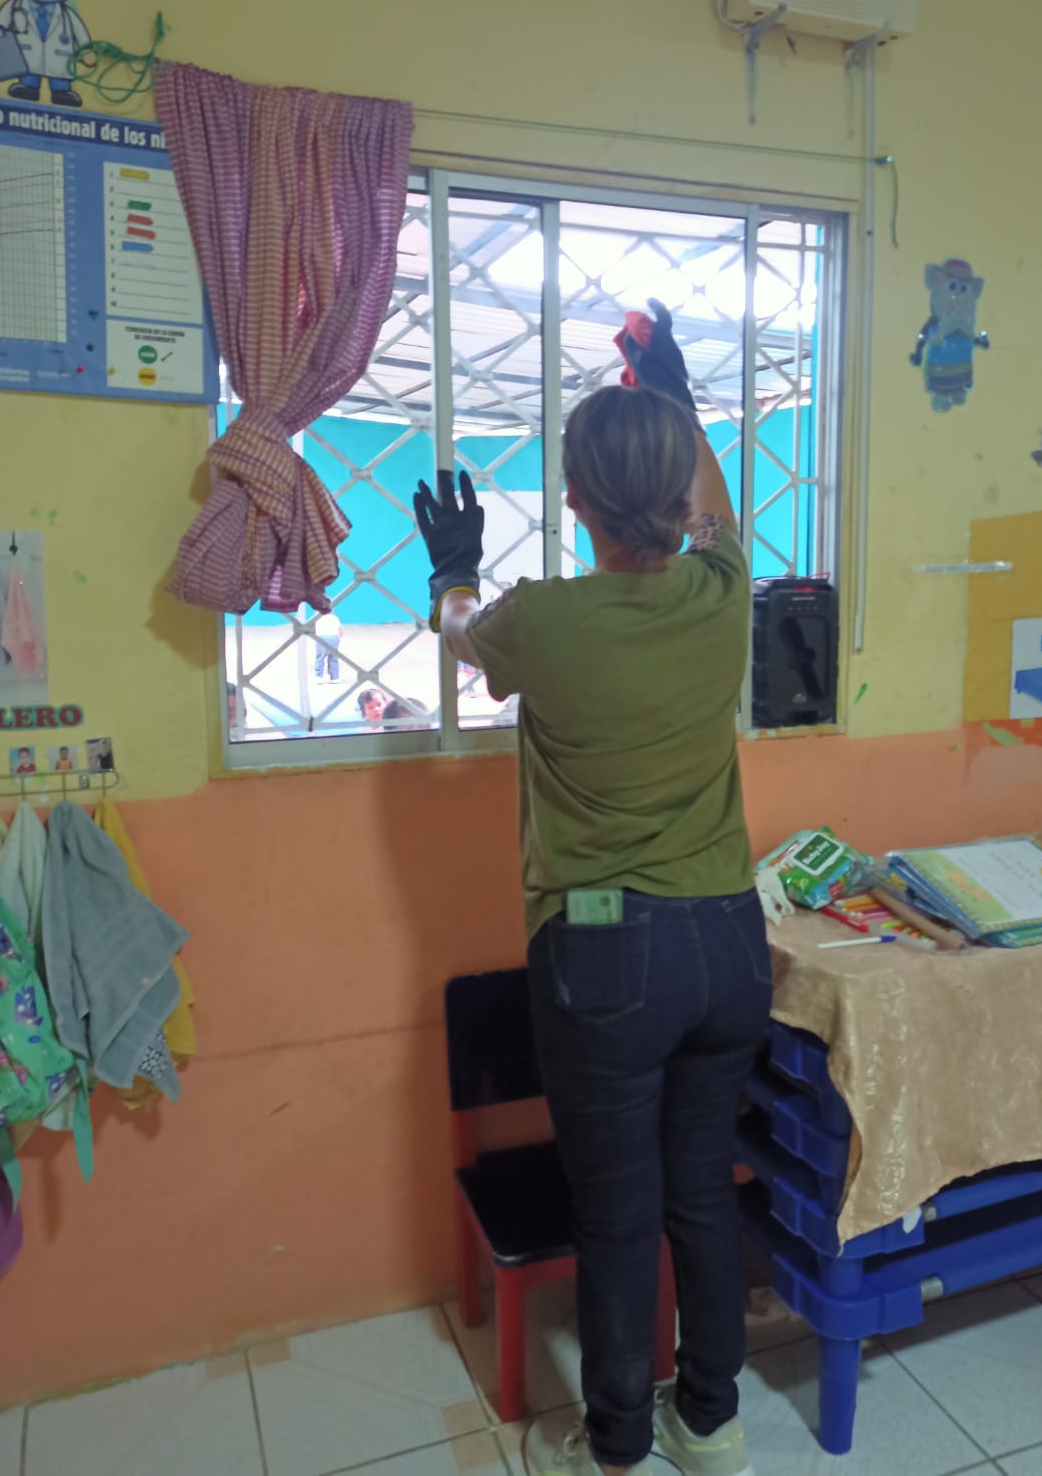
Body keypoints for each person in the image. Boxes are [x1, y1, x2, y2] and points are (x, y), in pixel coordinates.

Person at [414, 300, 770, 1476]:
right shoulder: (723, 590)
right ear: (676, 497)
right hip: (729, 945)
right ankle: (710, 1425)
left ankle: (614, 1446)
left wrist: (454, 567)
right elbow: (717, 508)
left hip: (607, 955)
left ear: (573, 502)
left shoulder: (545, 622)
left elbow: (459, 628)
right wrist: (675, 399)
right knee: (702, 1196)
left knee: (617, 1215)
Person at [314, 609, 342, 683]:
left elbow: (313, 631)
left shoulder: (317, 619)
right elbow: (340, 631)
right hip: (334, 638)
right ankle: (335, 677)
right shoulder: (335, 618)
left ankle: (318, 677)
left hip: (322, 638)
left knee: (320, 658)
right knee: (333, 658)